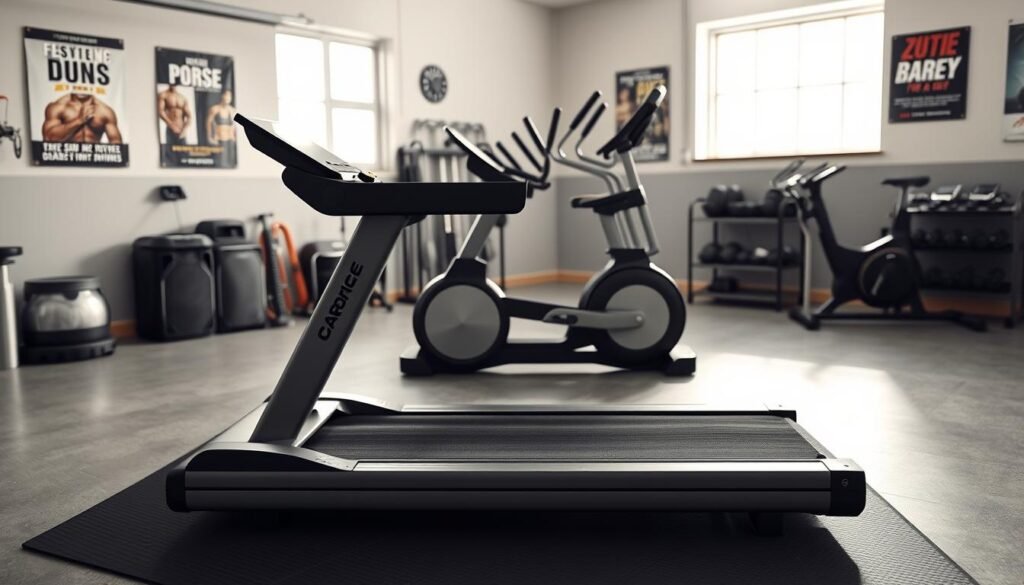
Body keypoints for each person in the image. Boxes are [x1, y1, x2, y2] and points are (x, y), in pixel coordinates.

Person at [42, 93, 122, 143]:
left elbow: (117, 146)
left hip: (95, 164)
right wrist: (79, 120)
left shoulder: (105, 111)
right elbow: (49, 138)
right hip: (65, 163)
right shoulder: (58, 107)